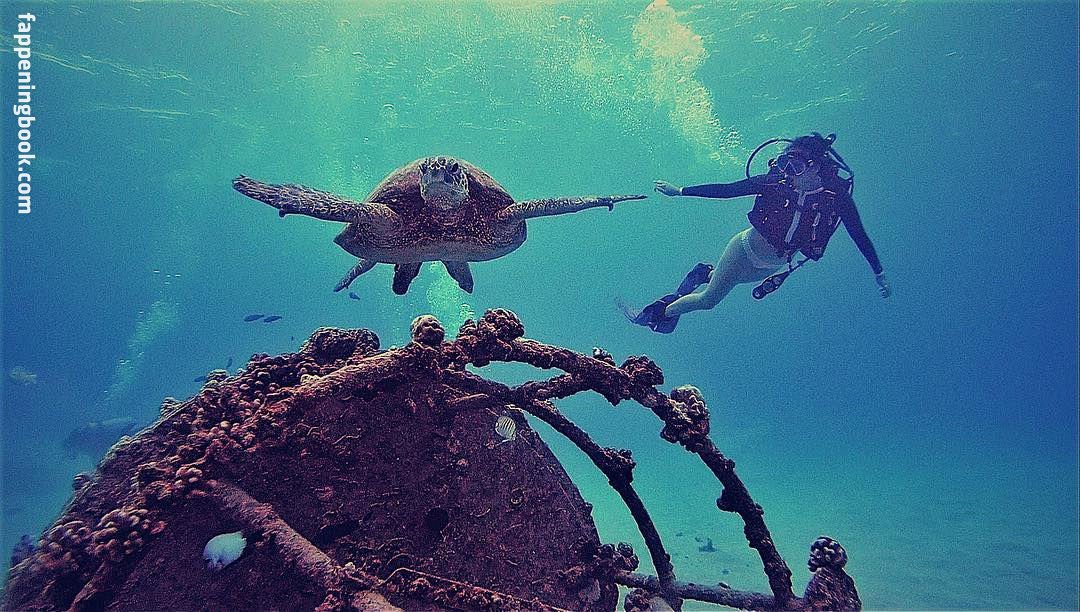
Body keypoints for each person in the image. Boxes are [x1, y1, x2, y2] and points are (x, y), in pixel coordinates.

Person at [623, 132, 889, 333]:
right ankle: (657, 315)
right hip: (744, 250)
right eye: (784, 165)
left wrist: (878, 272)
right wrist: (680, 191)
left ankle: (705, 273)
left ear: (815, 166)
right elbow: (728, 190)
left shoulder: (836, 197)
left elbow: (859, 235)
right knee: (709, 300)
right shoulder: (775, 182)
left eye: (795, 167)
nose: (788, 174)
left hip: (771, 266)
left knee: (723, 281)